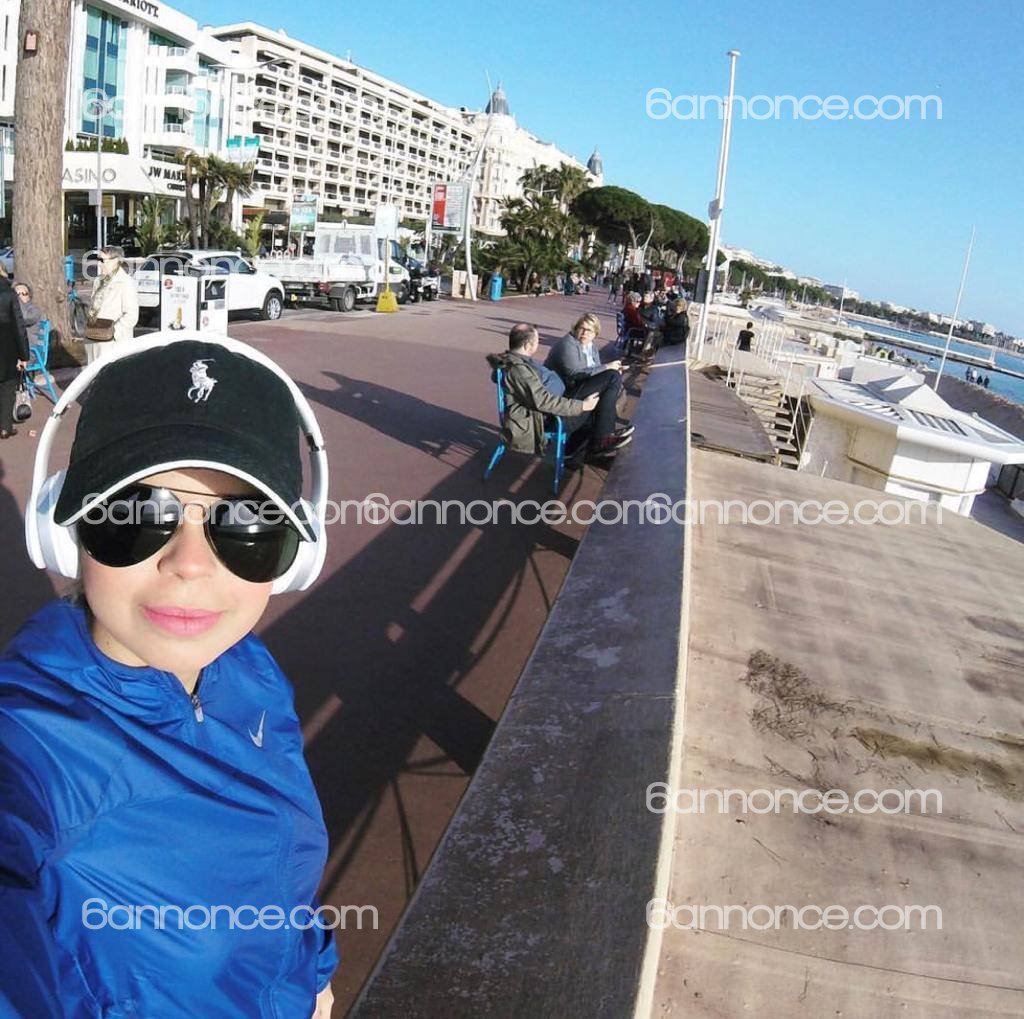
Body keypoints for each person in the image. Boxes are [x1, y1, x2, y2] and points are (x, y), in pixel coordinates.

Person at [0, 336, 337, 1017]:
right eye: (136, 513)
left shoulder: (248, 669)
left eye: (248, 523)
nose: (189, 563)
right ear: (64, 530)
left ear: (295, 555)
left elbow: (282, 881)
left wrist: (315, 974)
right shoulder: (28, 750)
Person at [487, 323, 633, 462]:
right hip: (551, 418)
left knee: (606, 386)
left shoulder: (521, 361)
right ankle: (601, 440)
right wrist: (582, 406)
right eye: (537, 341)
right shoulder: (518, 370)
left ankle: (581, 451)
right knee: (611, 378)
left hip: (558, 405)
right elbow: (543, 401)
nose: (538, 344)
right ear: (528, 345)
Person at [84, 245, 139, 365]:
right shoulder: (98, 280)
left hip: (112, 344)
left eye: (102, 260)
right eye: (98, 259)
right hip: (93, 337)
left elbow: (132, 315)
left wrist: (113, 332)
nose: (99, 264)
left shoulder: (126, 282)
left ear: (115, 261)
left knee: (109, 373)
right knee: (92, 372)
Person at [0, 273, 29, 439]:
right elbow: (19, 325)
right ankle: (5, 427)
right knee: (7, 385)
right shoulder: (8, 292)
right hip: (6, 345)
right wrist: (24, 355)